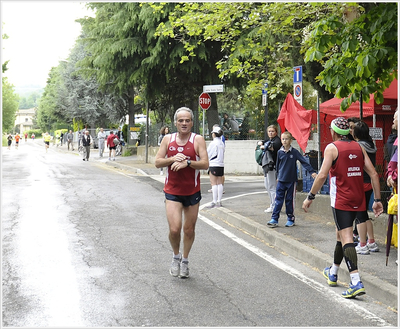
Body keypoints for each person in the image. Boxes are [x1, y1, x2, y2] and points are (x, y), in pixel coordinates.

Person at [302, 117, 383, 298]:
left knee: (346, 236)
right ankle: (333, 272)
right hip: (359, 196)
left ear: (333, 132)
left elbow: (322, 175)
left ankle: (355, 281)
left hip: (341, 199)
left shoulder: (332, 148)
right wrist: (377, 199)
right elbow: (374, 174)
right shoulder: (359, 146)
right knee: (340, 235)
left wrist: (310, 196)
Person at [155, 107, 209, 279]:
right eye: (181, 120)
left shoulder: (197, 139)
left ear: (192, 122)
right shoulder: (167, 139)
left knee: (189, 230)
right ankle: (175, 256)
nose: (184, 123)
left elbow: (205, 164)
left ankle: (185, 261)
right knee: (174, 229)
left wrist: (188, 162)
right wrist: (172, 159)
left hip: (192, 191)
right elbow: (157, 162)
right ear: (175, 122)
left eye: (187, 120)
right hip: (172, 191)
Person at [267, 131, 317, 227]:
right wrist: (277, 176)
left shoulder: (294, 152)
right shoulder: (280, 152)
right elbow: (278, 165)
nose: (284, 141)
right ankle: (274, 218)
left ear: (290, 141)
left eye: (286, 139)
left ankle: (290, 218)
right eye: (283, 139)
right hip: (281, 180)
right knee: (278, 200)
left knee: (289, 200)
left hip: (291, 181)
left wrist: (311, 171)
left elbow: (303, 162)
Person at [352, 121, 379, 254]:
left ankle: (362, 244)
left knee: (360, 215)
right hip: (369, 184)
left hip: (360, 183)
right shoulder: (371, 145)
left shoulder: (357, 147)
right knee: (364, 214)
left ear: (355, 134)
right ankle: (372, 241)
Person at [259, 125, 282, 213]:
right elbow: (262, 142)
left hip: (273, 166)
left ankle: (274, 205)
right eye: (269, 131)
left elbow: (272, 147)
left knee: (272, 186)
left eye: (272, 131)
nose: (271, 133)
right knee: (267, 185)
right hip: (267, 166)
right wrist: (261, 143)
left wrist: (264, 146)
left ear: (276, 132)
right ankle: (272, 204)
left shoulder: (277, 141)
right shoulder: (269, 140)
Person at [206, 126, 225, 208]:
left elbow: (208, 153)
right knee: (219, 183)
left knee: (213, 183)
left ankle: (214, 201)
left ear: (214, 134)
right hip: (220, 164)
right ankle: (219, 201)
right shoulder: (221, 143)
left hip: (213, 164)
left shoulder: (213, 143)